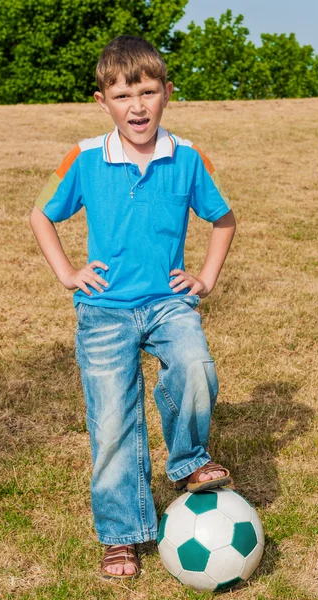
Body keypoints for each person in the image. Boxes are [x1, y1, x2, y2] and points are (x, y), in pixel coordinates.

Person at [29, 35, 236, 581]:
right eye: (122, 95)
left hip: (169, 303)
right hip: (104, 312)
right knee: (115, 424)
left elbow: (223, 219)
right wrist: (68, 273)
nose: (137, 106)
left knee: (195, 367)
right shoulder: (85, 157)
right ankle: (121, 535)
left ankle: (189, 461)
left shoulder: (188, 157)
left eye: (147, 92)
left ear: (167, 93)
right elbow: (41, 216)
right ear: (103, 101)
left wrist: (205, 279)